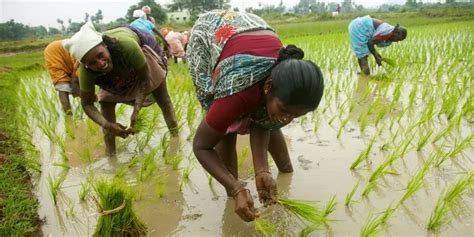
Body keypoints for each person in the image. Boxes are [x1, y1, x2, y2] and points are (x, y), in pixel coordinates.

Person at [187, 10, 324, 222]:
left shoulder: (282, 81)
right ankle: (234, 192)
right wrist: (235, 188)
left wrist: (262, 170)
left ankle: (278, 173)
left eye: (296, 115)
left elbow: (264, 123)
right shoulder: (238, 91)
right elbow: (201, 146)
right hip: (209, 36)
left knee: (270, 116)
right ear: (268, 86)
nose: (288, 120)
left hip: (250, 30)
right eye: (286, 111)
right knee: (226, 125)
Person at [63, 21, 178, 156]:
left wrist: (136, 109)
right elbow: (87, 104)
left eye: (100, 55)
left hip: (140, 49)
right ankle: (111, 156)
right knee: (105, 103)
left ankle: (176, 139)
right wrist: (107, 125)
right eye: (93, 63)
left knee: (163, 98)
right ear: (86, 65)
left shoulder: (127, 45)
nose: (100, 63)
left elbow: (144, 78)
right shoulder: (86, 71)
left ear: (105, 46)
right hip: (112, 71)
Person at [44, 40, 80, 115]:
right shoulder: (84, 60)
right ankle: (69, 115)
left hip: (66, 52)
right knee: (62, 85)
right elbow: (77, 79)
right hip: (54, 52)